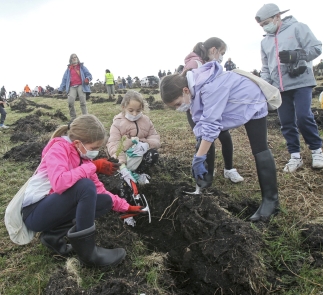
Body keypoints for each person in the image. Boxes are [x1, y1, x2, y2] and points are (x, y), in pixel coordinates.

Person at [160, 60, 279, 222]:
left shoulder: (210, 88)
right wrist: (199, 149)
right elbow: (200, 121)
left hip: (250, 100)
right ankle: (204, 181)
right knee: (204, 139)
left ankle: (270, 201)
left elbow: (211, 125)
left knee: (259, 148)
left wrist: (199, 157)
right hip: (230, 103)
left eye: (178, 104)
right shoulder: (195, 87)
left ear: (185, 90)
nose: (178, 108)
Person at [22, 114, 144, 267]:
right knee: (85, 186)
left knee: (103, 201)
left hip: (51, 207)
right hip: (35, 212)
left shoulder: (83, 157)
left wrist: (126, 206)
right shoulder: (58, 149)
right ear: (78, 143)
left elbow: (99, 190)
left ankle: (53, 236)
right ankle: (89, 255)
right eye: (94, 148)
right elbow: (59, 183)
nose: (96, 152)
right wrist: (93, 167)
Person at [256, 3, 323, 172]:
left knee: (303, 116)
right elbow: (266, 67)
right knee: (287, 122)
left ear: (277, 16)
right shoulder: (265, 42)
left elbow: (316, 48)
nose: (265, 27)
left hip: (301, 81)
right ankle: (295, 155)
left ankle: (316, 150)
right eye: (262, 25)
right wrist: (265, 86)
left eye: (266, 22)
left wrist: (297, 55)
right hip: (280, 87)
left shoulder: (298, 28)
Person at [183, 37, 244, 183]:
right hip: (198, 111)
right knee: (206, 139)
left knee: (224, 136)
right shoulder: (194, 64)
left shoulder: (209, 64)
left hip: (213, 107)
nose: (221, 57)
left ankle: (229, 169)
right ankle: (207, 174)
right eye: (221, 52)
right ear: (213, 50)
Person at [107, 90, 160, 173]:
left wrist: (147, 144)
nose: (135, 114)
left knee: (153, 154)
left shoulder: (146, 120)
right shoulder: (117, 123)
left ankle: (142, 171)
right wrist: (122, 163)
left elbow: (154, 136)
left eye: (138, 110)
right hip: (125, 156)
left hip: (142, 154)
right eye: (131, 110)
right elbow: (113, 145)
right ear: (123, 107)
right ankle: (126, 173)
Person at [59, 54, 92, 121]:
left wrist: (87, 79)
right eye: (72, 58)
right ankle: (73, 118)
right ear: (70, 60)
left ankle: (85, 117)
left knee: (83, 102)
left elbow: (89, 75)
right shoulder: (68, 69)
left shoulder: (82, 67)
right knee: (70, 102)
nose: (74, 58)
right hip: (72, 87)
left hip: (81, 86)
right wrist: (61, 88)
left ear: (77, 58)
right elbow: (64, 79)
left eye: (75, 57)